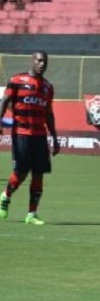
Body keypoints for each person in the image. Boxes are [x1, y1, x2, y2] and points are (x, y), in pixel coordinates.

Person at [0, 51, 60, 225]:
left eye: (45, 61)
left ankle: (31, 214)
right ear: (32, 61)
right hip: (21, 134)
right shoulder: (17, 80)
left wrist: (54, 137)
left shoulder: (48, 87)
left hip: (39, 136)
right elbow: (4, 102)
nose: (42, 64)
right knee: (20, 173)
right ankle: (5, 195)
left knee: (38, 174)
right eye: (39, 61)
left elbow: (49, 114)